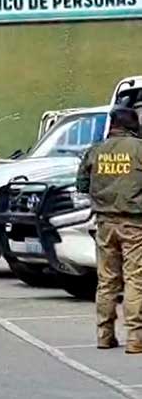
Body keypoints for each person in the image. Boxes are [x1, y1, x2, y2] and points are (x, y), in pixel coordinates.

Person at [76, 107, 142, 354]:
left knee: (106, 280)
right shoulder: (139, 149)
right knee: (135, 278)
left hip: (104, 223)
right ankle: (135, 338)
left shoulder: (95, 150)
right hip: (134, 223)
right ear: (133, 125)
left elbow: (81, 184)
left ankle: (104, 335)